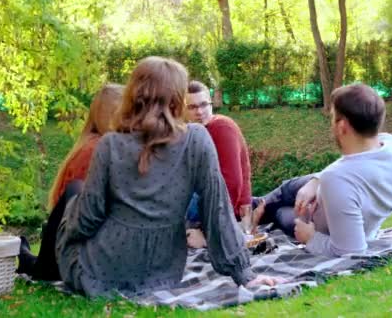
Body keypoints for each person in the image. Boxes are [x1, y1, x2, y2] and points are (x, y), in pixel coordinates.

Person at [22, 56, 280, 298]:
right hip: (163, 274)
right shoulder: (198, 139)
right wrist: (244, 275)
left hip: (99, 275)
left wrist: (68, 221)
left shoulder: (111, 145)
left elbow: (87, 220)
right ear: (177, 99)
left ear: (133, 96)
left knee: (72, 202)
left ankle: (40, 266)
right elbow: (218, 210)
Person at [253, 83, 392, 257]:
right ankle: (245, 207)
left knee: (277, 212)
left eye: (332, 117)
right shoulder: (391, 144)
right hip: (324, 192)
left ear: (342, 126)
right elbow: (353, 164)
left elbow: (351, 251)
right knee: (286, 189)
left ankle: (238, 213)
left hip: (313, 221)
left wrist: (310, 238)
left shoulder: (337, 178)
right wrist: (316, 180)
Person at [17, 84, 124, 281]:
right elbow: (86, 213)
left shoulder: (98, 144)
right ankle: (32, 261)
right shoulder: (96, 149)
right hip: (73, 246)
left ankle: (28, 258)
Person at [184, 81, 253, 247]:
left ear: (211, 103)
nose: (199, 112)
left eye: (203, 105)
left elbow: (233, 182)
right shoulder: (191, 131)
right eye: (192, 107)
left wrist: (216, 226)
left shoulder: (221, 127)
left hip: (223, 206)